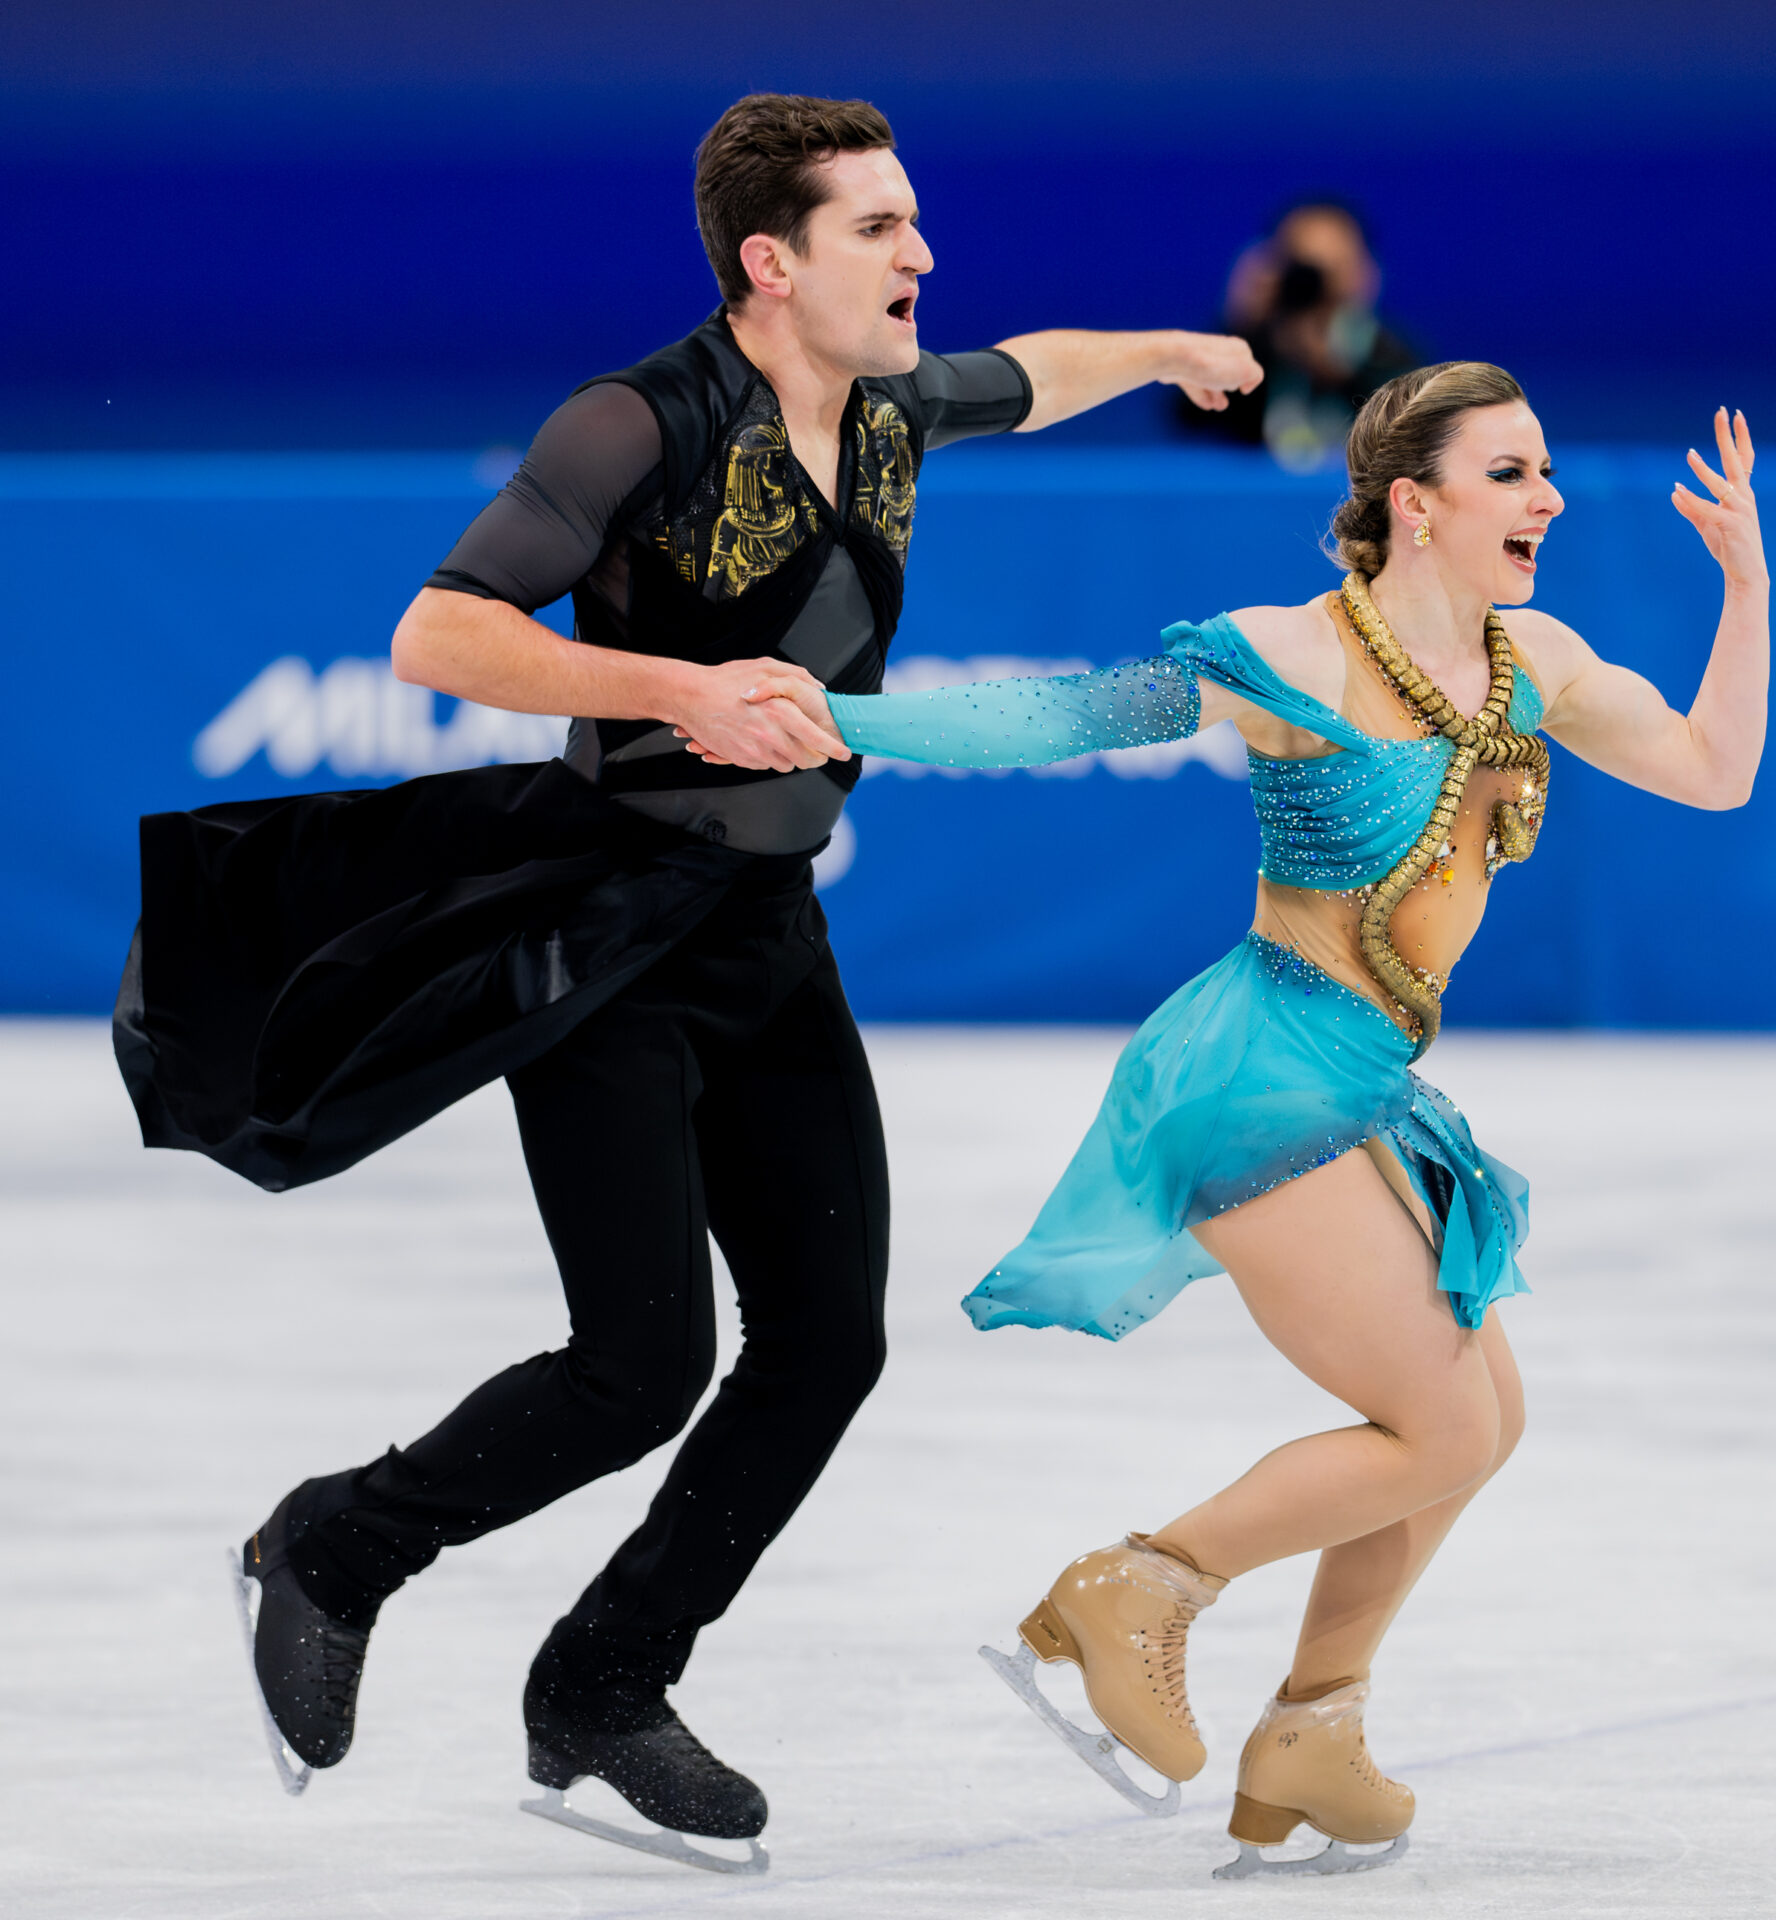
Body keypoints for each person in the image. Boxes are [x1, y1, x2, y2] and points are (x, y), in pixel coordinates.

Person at [114, 93, 1261, 1870]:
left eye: (914, 220)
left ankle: (604, 1680)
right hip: (610, 933)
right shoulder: (639, 419)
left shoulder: (892, 404)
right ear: (770, 263)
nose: (922, 253)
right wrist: (679, 689)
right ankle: (333, 1548)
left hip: (767, 929)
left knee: (827, 1345)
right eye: (881, 228)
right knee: (639, 1366)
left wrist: (1172, 351)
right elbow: (441, 631)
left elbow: (1035, 372)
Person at [728, 366, 1766, 1875]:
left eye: (1546, 472)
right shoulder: (1294, 652)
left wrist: (1746, 587)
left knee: (1484, 1422)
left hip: (1368, 1081)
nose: (1549, 499)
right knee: (1444, 1421)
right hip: (1256, 1070)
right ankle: (1138, 1587)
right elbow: (1065, 714)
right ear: (1416, 504)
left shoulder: (1529, 662)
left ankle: (1314, 1726)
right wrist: (835, 714)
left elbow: (1717, 772)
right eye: (1511, 473)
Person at [1179, 197, 1419, 469]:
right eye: (1304, 268)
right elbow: (1188, 422)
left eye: (1335, 267)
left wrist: (1341, 366)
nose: (1318, 286)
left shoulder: (1391, 359)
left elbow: (1414, 433)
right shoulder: (1252, 350)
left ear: (1366, 273)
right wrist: (1238, 326)